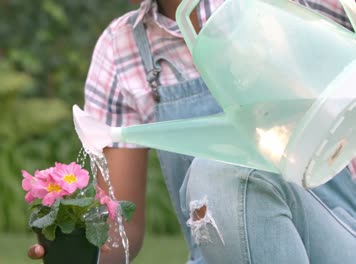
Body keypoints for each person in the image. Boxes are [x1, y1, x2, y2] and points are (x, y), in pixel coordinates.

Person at [28, 0, 356, 263]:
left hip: (338, 239)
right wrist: (72, 245)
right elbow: (122, 229)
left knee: (220, 172)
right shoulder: (120, 47)